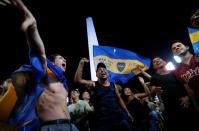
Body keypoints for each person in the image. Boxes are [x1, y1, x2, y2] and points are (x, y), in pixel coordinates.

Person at [2, 0, 77, 130]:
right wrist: (33, 29)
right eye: (61, 58)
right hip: (51, 128)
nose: (65, 59)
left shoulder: (63, 83)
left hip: (71, 127)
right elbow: (39, 53)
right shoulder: (43, 75)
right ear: (52, 63)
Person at [74, 58, 133, 131]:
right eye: (100, 70)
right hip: (103, 122)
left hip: (119, 118)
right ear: (96, 74)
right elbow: (78, 80)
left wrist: (127, 113)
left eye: (104, 69)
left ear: (107, 73)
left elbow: (119, 99)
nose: (102, 71)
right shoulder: (94, 84)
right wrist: (81, 64)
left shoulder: (113, 85)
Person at [138, 56, 192, 131]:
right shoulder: (154, 78)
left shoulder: (175, 73)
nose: (156, 61)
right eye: (154, 61)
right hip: (171, 110)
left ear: (164, 62)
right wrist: (154, 90)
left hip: (185, 104)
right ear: (153, 66)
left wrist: (187, 97)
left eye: (158, 59)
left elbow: (185, 85)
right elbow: (152, 88)